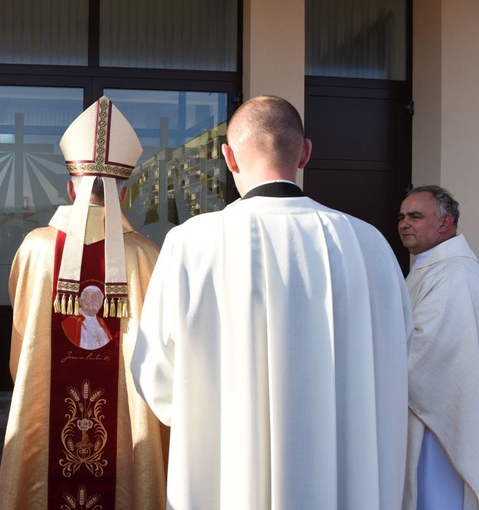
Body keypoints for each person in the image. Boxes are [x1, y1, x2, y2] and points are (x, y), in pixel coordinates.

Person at [131, 95, 412, 509]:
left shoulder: (191, 243)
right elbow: (397, 356)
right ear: (306, 153)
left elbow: (155, 374)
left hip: (230, 476)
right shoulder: (369, 243)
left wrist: (209, 413)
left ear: (228, 157)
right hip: (345, 476)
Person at [0, 97, 167, 509]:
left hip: (49, 400)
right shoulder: (145, 255)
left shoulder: (36, 248)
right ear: (123, 197)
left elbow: (22, 330)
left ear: (71, 189)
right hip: (125, 414)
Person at [397, 185, 479, 510]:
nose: (404, 224)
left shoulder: (453, 273)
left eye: (416, 216)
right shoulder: (433, 265)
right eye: (402, 216)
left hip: (437, 423)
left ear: (445, 224)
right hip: (425, 411)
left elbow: (425, 354)